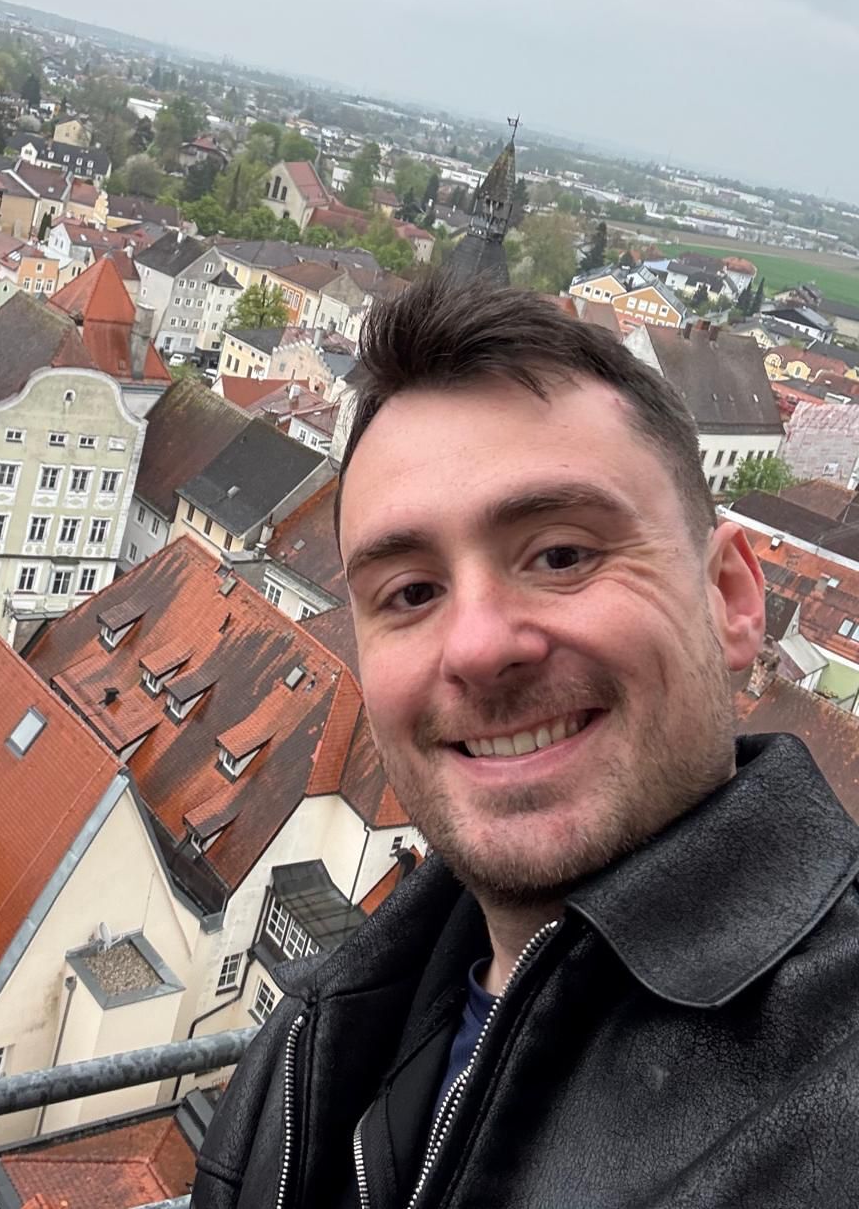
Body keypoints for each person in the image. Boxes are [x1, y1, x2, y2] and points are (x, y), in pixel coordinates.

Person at [191, 274, 859, 1209]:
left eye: (562, 554)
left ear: (732, 598)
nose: (477, 646)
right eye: (411, 592)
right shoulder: (311, 1041)